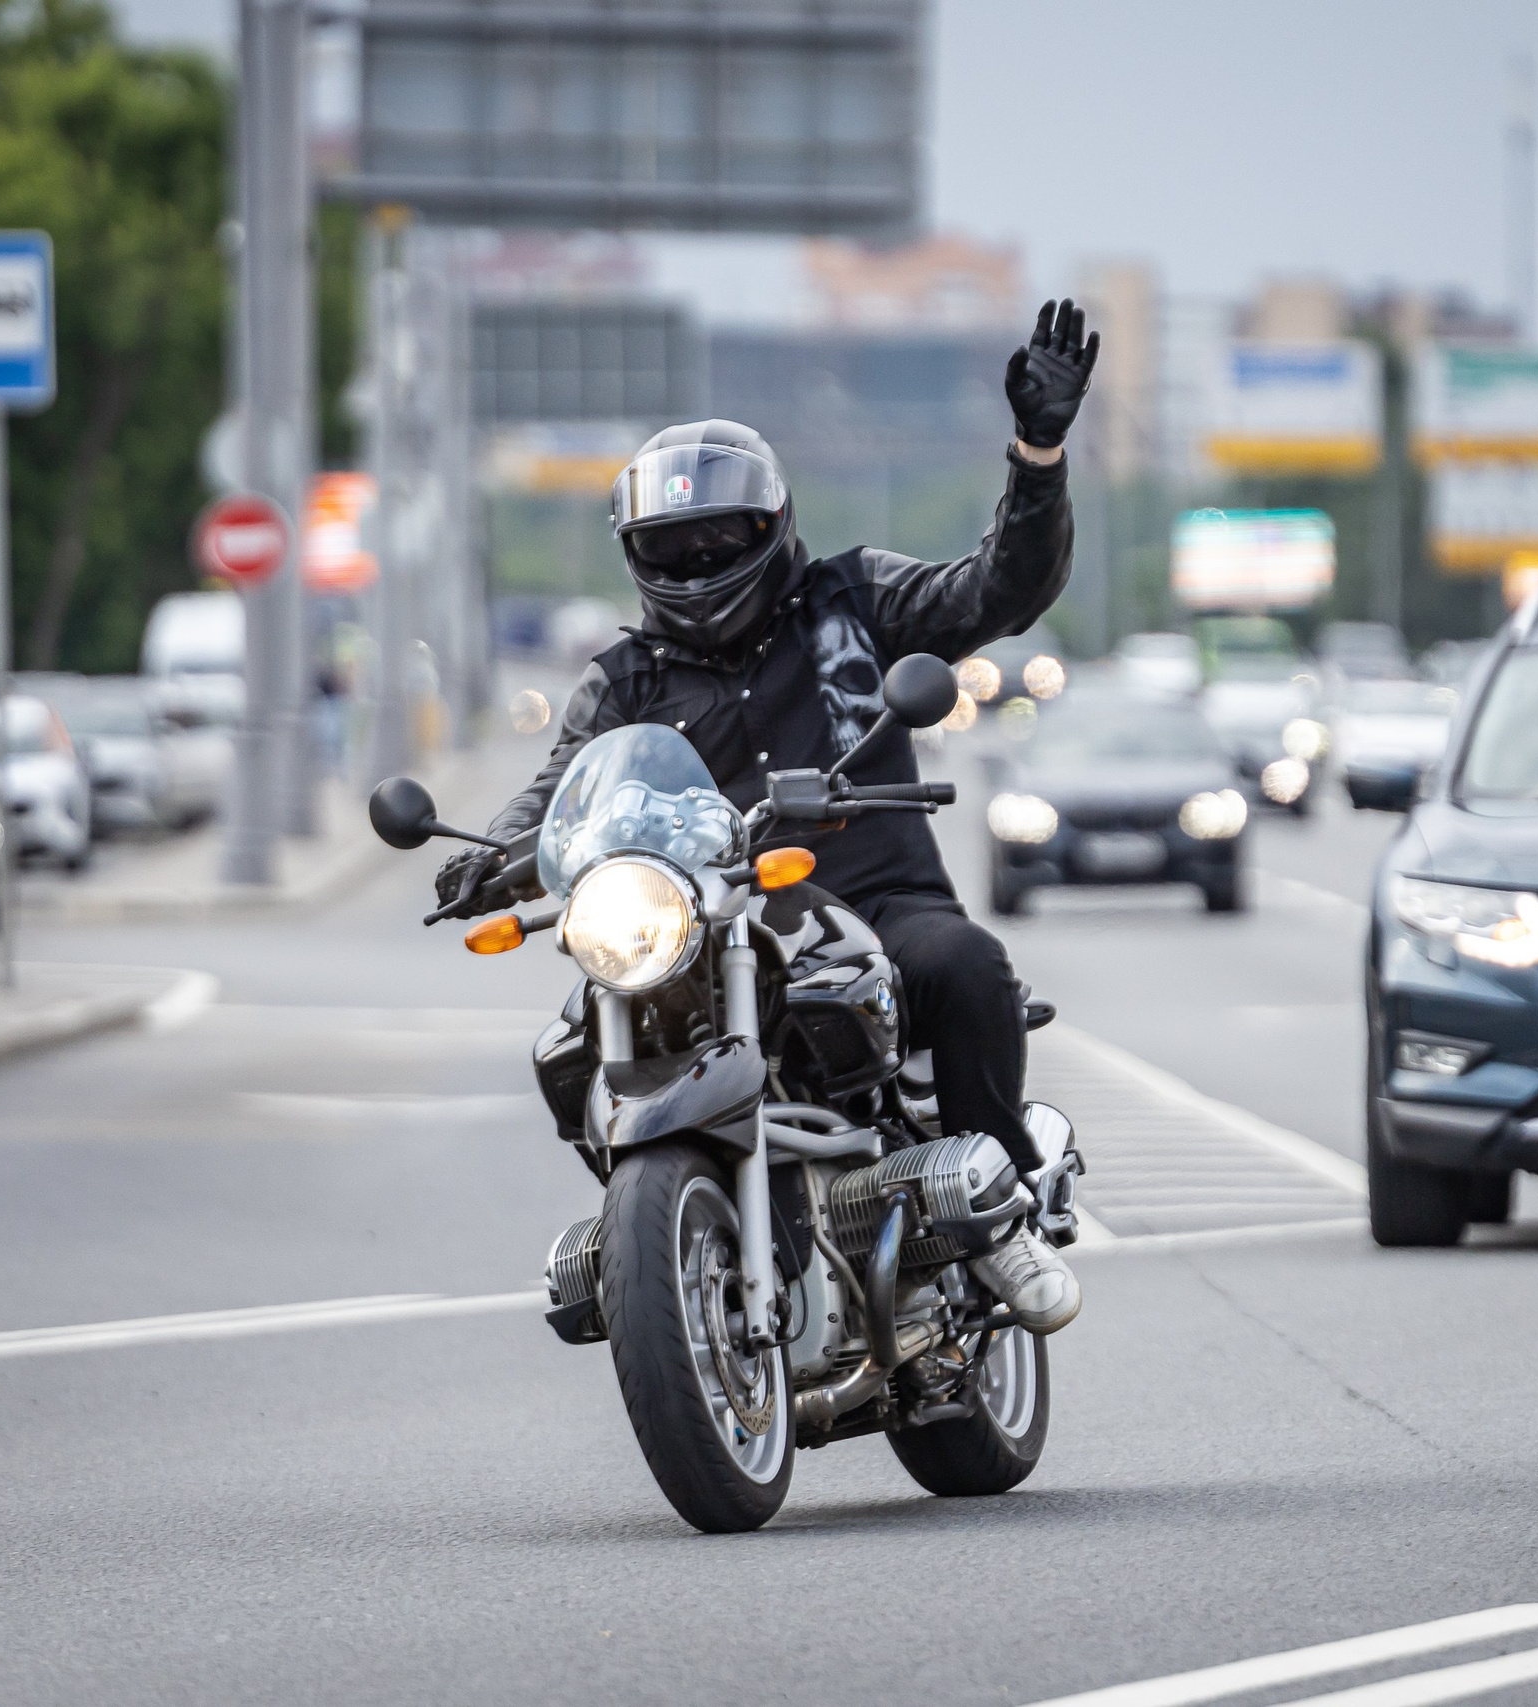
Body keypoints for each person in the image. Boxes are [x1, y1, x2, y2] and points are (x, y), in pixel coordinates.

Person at [438, 300, 1100, 1332]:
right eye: (675, 545)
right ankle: (646, 1237)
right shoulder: (622, 681)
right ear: (638, 554)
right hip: (701, 928)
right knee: (567, 1043)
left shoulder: (854, 600)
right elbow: (559, 787)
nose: (699, 562)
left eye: (720, 539)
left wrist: (1039, 452)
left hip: (875, 903)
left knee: (965, 966)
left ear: (772, 526)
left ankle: (998, 1211)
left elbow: (998, 589)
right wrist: (493, 857)